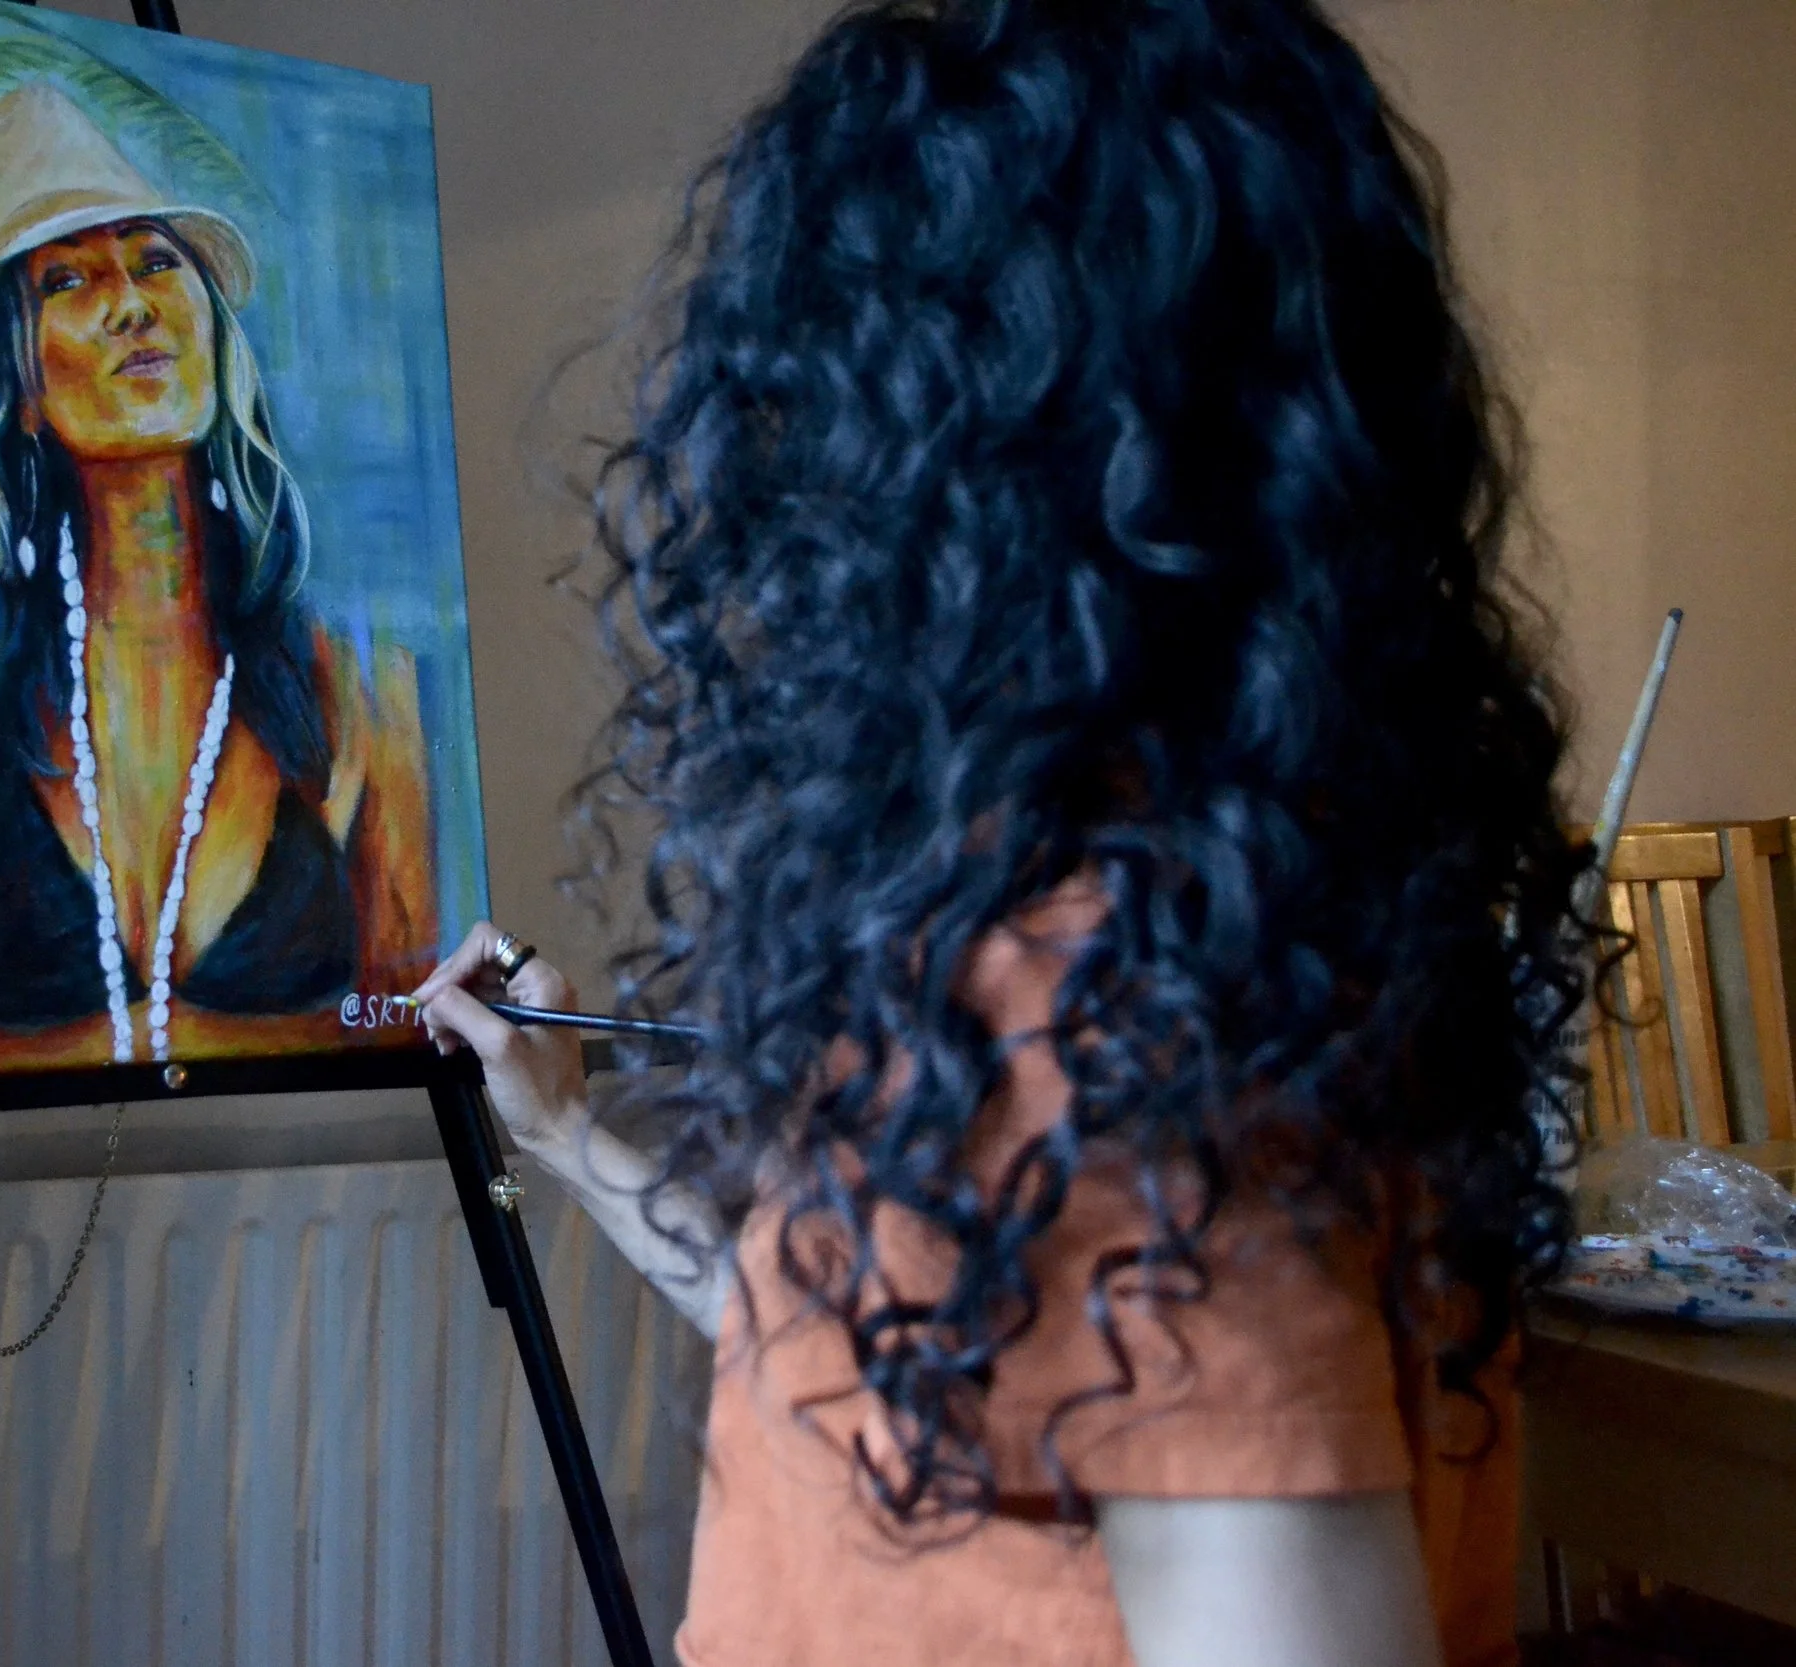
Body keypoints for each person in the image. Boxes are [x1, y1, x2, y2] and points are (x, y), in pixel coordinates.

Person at [417, 3, 1588, 1664]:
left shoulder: (1107, 1006)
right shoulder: (1119, 927)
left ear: (943, 462)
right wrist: (571, 1139)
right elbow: (894, 1364)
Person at [0, 85, 441, 1075]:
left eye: (154, 261)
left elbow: (407, 1022)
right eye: (67, 281)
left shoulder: (364, 689)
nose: (133, 304)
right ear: (13, 383)